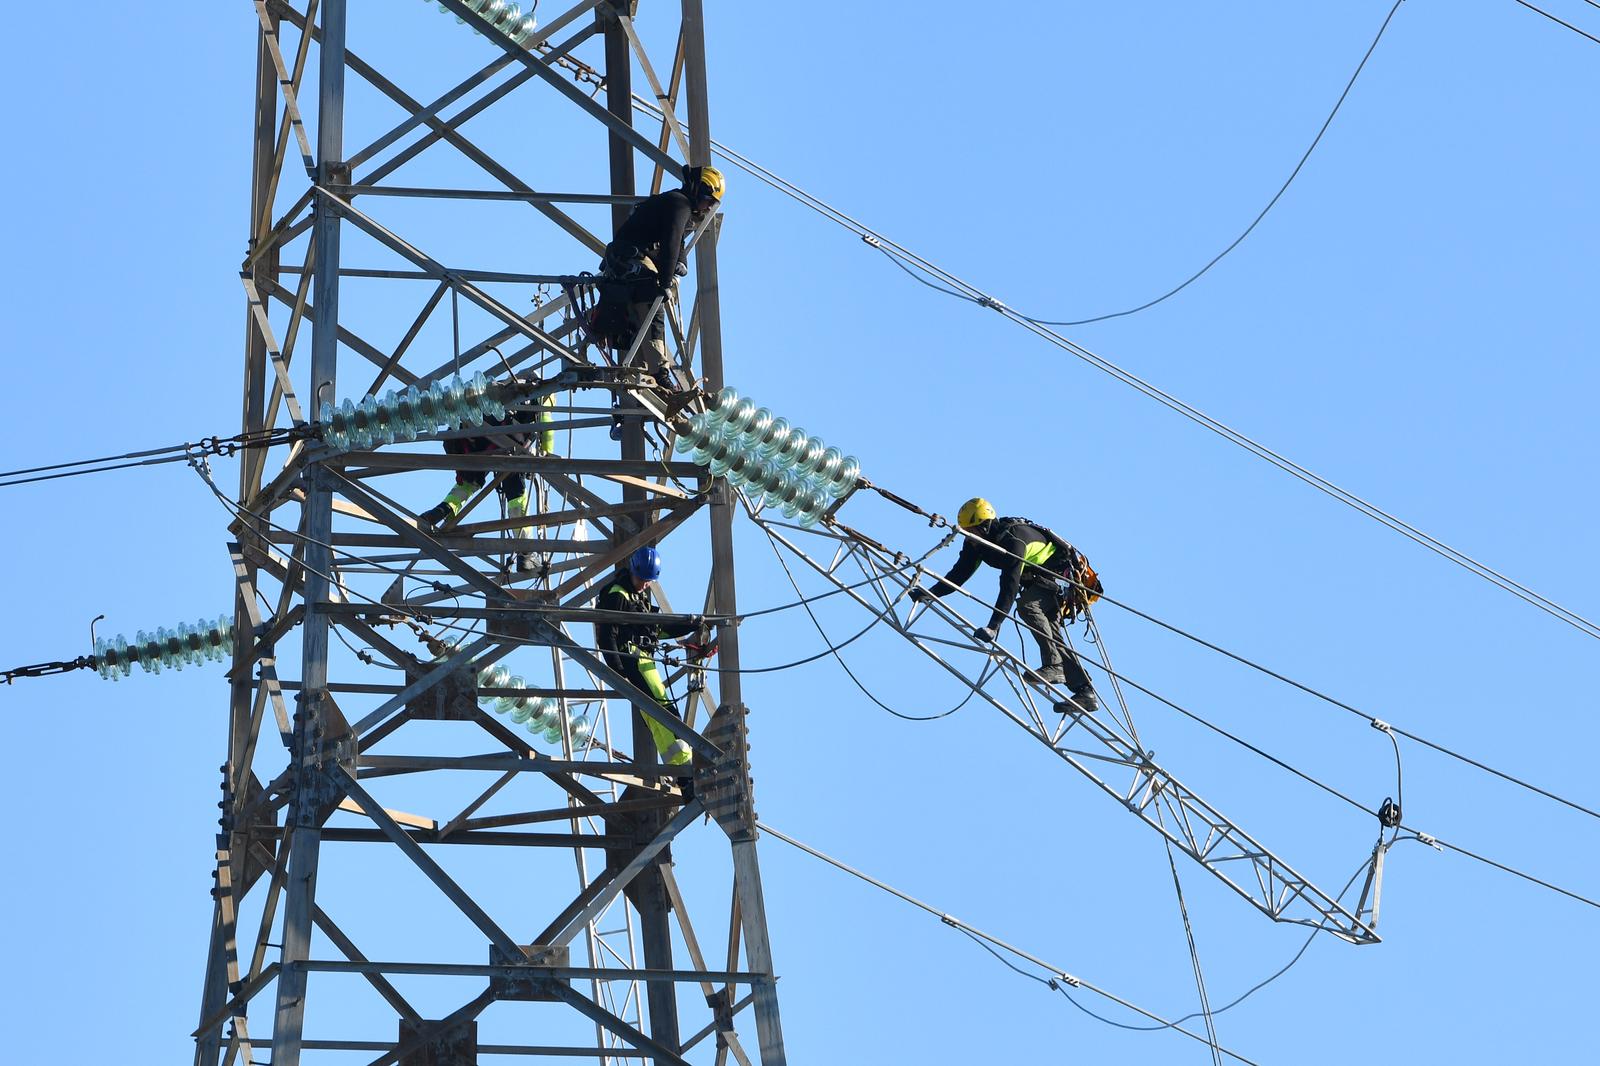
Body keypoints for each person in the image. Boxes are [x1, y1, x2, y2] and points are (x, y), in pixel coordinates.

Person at [908, 497, 1101, 714]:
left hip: (1060, 578)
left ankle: (1056, 666)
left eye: (972, 531)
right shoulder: (976, 542)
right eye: (966, 531)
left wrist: (994, 626)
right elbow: (960, 574)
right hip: (1039, 579)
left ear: (985, 526)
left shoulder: (1013, 541)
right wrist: (930, 594)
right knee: (1050, 633)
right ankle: (1085, 692)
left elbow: (1009, 585)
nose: (969, 537)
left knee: (1028, 607)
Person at [590, 165, 724, 389]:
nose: (708, 206)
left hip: (622, 263)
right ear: (698, 190)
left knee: (637, 322)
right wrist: (665, 281)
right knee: (653, 308)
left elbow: (676, 239)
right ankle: (658, 374)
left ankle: (643, 377)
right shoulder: (680, 203)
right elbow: (671, 241)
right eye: (708, 200)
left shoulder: (672, 202)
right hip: (633, 262)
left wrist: (681, 262)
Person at [594, 546, 711, 767]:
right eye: (642, 579)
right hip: (632, 658)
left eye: (649, 580)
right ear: (632, 571)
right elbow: (607, 635)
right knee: (664, 711)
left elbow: (657, 629)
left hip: (643, 660)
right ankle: (685, 769)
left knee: (655, 715)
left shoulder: (638, 598)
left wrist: (691, 624)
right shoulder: (617, 594)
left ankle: (681, 772)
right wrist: (618, 670)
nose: (645, 584)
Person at [416, 395, 556, 574]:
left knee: (467, 484)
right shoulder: (540, 396)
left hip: (474, 439)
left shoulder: (500, 392)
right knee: (516, 497)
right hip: (506, 442)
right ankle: (525, 552)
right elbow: (547, 427)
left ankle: (440, 511)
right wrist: (546, 457)